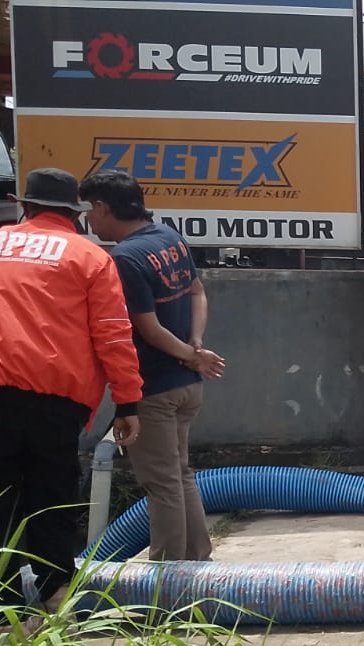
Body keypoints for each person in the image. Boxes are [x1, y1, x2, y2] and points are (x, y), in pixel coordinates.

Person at [0, 168, 144, 611]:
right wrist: (127, 401)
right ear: (76, 212)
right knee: (51, 498)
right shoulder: (89, 257)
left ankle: (0, 608)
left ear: (24, 205)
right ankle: (54, 597)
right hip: (57, 398)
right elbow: (113, 334)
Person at [80, 171, 225, 562]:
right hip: (187, 384)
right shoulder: (169, 237)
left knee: (162, 483)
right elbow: (197, 292)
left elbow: (149, 329)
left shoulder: (125, 259)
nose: (88, 220)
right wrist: (196, 346)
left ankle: (166, 573)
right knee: (180, 474)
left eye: (89, 210)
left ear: (102, 207)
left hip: (155, 389)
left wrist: (191, 353)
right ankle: (197, 559)